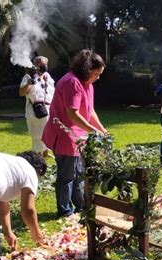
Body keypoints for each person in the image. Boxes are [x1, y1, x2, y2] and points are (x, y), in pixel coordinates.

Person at [43, 49, 107, 218]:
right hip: (65, 136)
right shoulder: (72, 82)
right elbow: (72, 113)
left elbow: (89, 110)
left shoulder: (88, 84)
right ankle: (65, 211)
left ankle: (80, 206)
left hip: (78, 136)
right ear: (87, 69)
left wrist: (101, 129)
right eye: (96, 73)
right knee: (67, 176)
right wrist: (93, 131)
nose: (98, 77)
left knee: (78, 173)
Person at [19, 56, 55, 157]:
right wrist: (30, 82)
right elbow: (22, 92)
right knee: (38, 135)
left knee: (47, 132)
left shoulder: (48, 76)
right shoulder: (29, 77)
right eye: (40, 64)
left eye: (45, 64)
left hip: (48, 108)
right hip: (36, 110)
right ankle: (37, 155)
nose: (43, 66)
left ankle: (45, 152)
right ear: (35, 65)